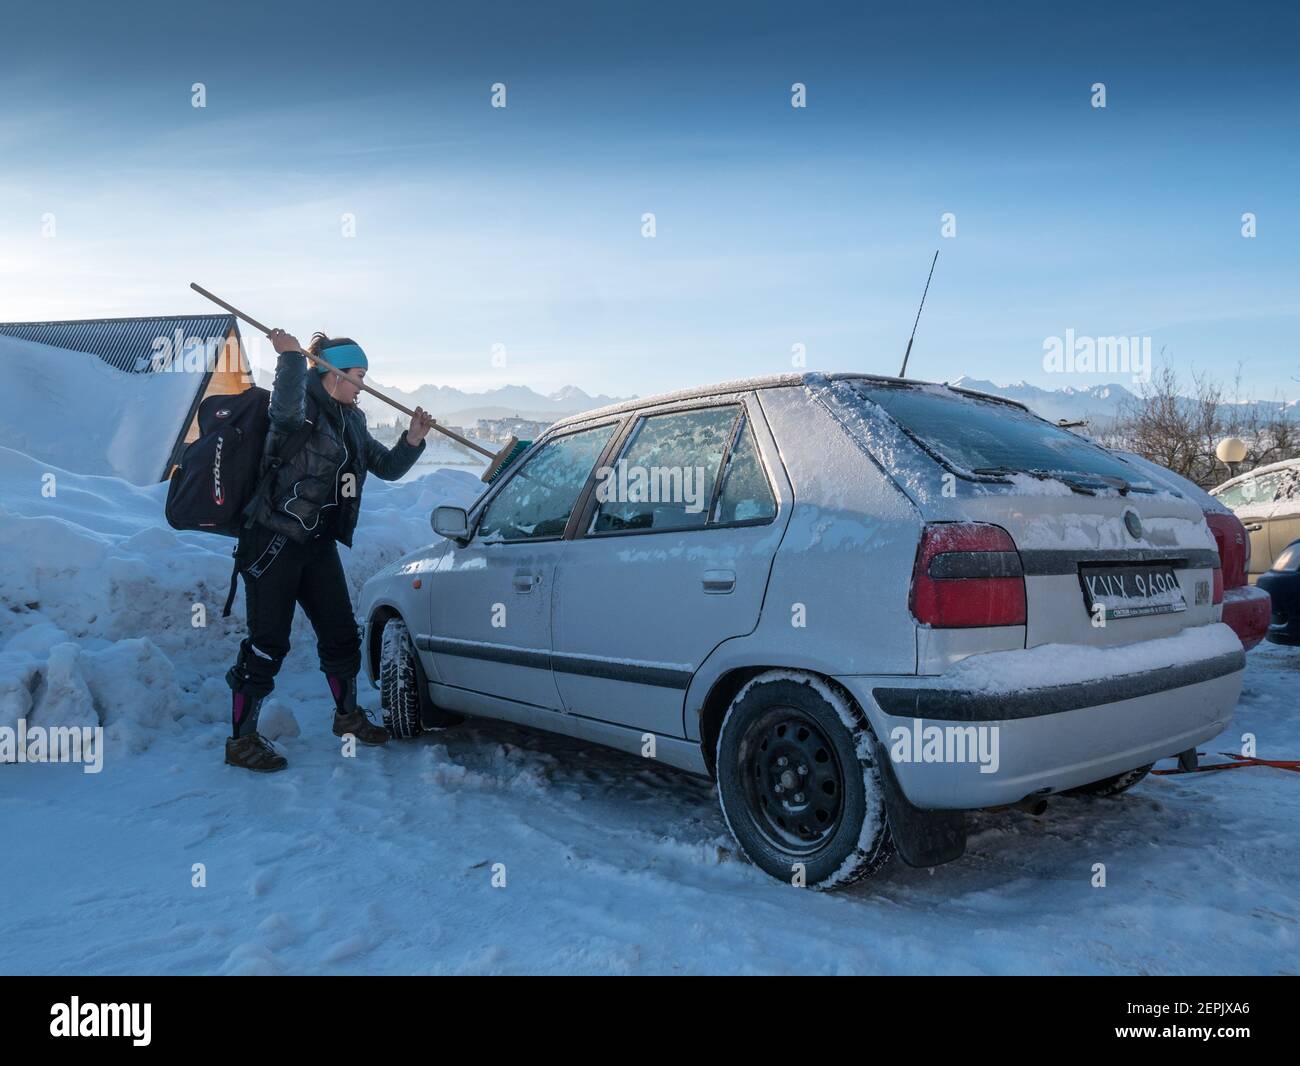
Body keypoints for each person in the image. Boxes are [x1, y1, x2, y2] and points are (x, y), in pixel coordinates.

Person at [224, 329, 435, 772]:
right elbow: (281, 412)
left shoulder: (352, 420)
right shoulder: (298, 406)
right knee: (267, 643)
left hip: (317, 544)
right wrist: (288, 358)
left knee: (341, 635)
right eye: (357, 375)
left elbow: (387, 467)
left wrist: (413, 439)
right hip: (274, 542)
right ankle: (241, 741)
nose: (363, 385)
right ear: (332, 372)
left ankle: (348, 719)